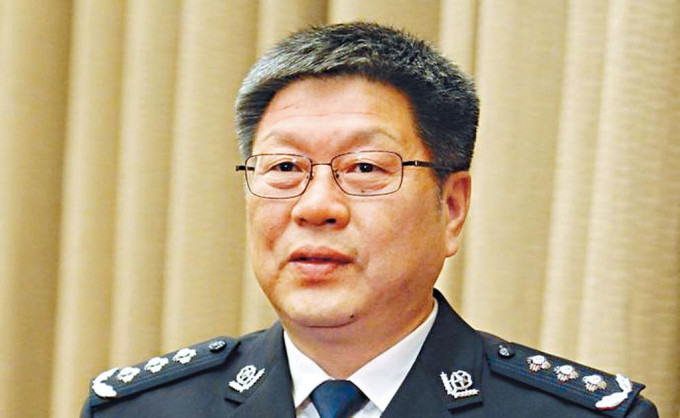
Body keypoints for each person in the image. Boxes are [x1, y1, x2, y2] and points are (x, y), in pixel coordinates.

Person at [81, 22, 658, 417]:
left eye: (363, 168)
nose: (315, 207)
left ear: (452, 207)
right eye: (284, 167)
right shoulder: (144, 409)